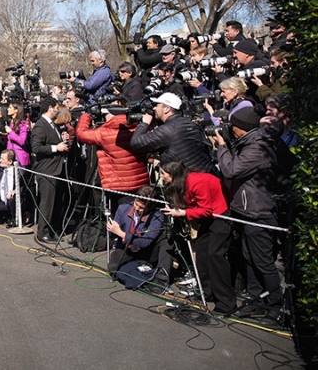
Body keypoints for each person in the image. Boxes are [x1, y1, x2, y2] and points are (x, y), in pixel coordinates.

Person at [212, 107, 282, 322]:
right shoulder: (249, 143)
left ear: (242, 128)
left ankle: (275, 308)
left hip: (258, 211)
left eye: (233, 127)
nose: (230, 130)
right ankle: (255, 300)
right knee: (249, 258)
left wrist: (222, 147)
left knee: (262, 262)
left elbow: (231, 170)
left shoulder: (257, 148)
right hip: (247, 209)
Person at [159, 160, 236, 315]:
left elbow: (206, 209)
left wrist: (183, 213)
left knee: (215, 255)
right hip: (207, 217)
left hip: (220, 214)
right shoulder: (182, 183)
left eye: (163, 173)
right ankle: (206, 292)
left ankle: (226, 302)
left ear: (172, 173)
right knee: (201, 253)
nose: (161, 177)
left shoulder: (196, 181)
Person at [74, 106, 149, 202]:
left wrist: (86, 115)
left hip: (117, 184)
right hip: (140, 182)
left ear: (110, 115)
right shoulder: (138, 130)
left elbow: (81, 134)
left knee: (120, 213)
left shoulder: (103, 133)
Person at [130, 92, 215, 174]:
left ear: (167, 109)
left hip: (185, 178)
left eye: (157, 105)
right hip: (202, 172)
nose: (154, 108)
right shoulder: (187, 123)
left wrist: (145, 123)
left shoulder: (168, 129)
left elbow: (136, 143)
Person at [31, 97, 70, 242]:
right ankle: (43, 232)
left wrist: (63, 139)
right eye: (56, 108)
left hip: (57, 169)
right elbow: (36, 147)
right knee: (47, 202)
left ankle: (52, 229)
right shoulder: (41, 125)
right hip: (47, 170)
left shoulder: (52, 124)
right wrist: (56, 148)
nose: (58, 111)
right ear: (50, 108)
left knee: (56, 201)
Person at [106, 186, 165, 272]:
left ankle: (146, 268)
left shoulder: (157, 216)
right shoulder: (123, 208)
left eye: (141, 208)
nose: (136, 208)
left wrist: (121, 233)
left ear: (150, 207)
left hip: (145, 251)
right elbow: (111, 234)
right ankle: (137, 268)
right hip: (125, 248)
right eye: (136, 204)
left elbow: (145, 241)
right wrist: (111, 229)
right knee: (113, 268)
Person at [4, 101, 31, 167]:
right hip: (11, 156)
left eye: (10, 107)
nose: (8, 109)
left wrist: (11, 132)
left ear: (16, 110)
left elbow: (22, 141)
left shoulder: (23, 124)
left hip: (19, 158)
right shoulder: (11, 122)